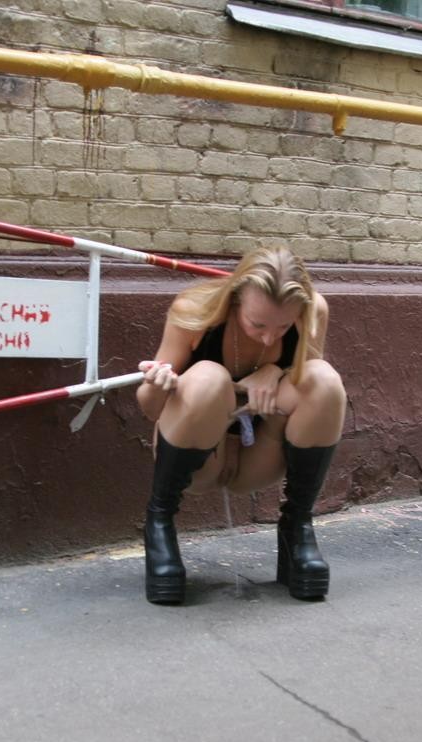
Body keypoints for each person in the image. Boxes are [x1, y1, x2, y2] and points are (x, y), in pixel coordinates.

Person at [136, 245, 346, 605]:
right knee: (208, 378)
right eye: (257, 324)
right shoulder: (194, 313)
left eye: (283, 326)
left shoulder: (312, 313)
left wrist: (274, 371)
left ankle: (297, 528)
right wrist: (159, 385)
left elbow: (307, 385)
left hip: (259, 456)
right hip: (200, 459)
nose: (269, 337)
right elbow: (150, 409)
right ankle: (159, 523)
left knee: (323, 381)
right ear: (235, 298)